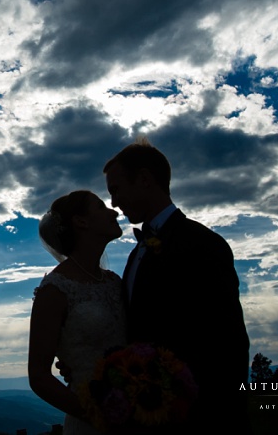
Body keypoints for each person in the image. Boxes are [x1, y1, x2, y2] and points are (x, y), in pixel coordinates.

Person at [104, 137, 250, 431]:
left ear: (144, 179)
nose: (114, 202)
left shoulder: (204, 244)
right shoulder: (136, 253)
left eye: (117, 190)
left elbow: (230, 344)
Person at [28, 190, 126, 435]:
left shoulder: (114, 282)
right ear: (81, 221)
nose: (113, 211)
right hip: (91, 423)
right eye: (101, 207)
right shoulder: (55, 289)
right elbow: (39, 376)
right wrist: (100, 416)